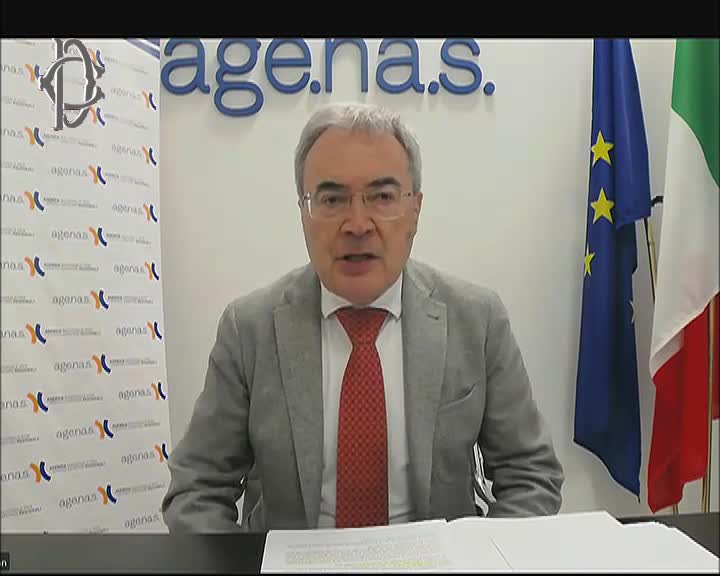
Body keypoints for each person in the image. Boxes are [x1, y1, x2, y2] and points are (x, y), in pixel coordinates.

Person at [162, 102, 564, 533]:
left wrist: (481, 558)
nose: (357, 224)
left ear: (415, 209)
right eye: (332, 199)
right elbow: (196, 491)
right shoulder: (249, 329)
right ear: (303, 212)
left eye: (383, 197)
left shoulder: (477, 320)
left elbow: (531, 476)